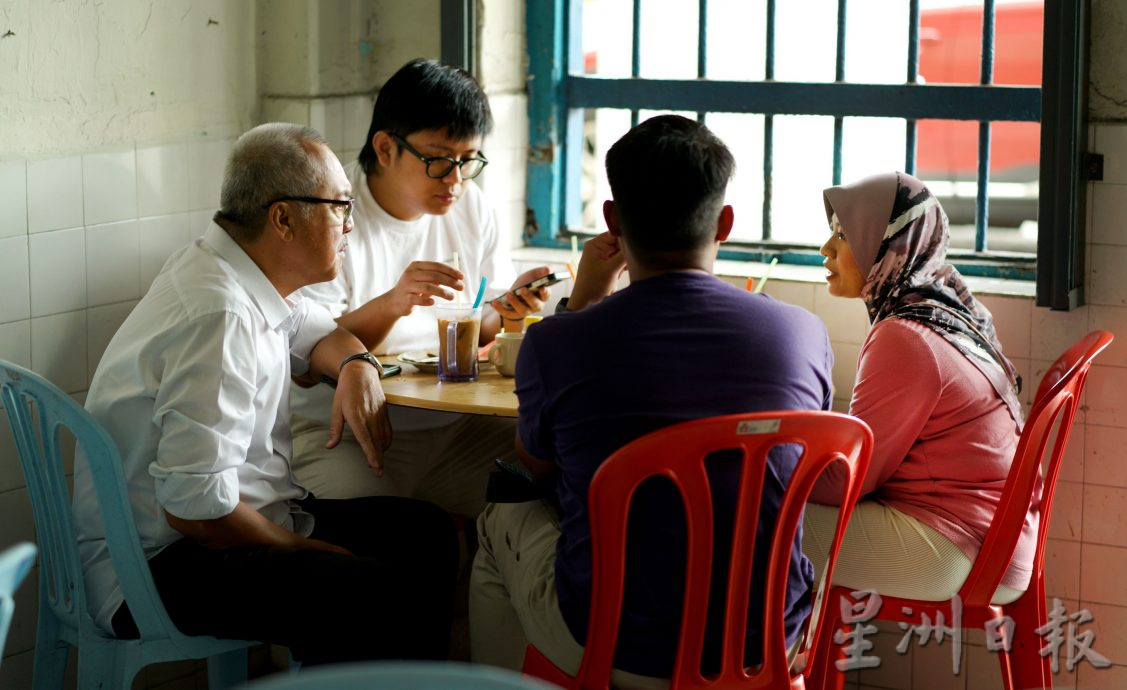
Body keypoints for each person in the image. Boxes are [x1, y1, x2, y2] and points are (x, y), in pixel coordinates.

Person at [468, 115, 835, 687]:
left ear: (613, 221)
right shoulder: (802, 333)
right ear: (726, 224)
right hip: (767, 639)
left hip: (620, 647)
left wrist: (583, 301)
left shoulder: (557, 342)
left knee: (499, 518)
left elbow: (536, 467)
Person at [72, 123, 458, 665]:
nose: (349, 225)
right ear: (282, 218)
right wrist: (304, 548)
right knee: (358, 589)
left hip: (227, 524)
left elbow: (323, 333)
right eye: (339, 207)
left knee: (423, 533)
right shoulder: (219, 313)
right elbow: (196, 511)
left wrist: (356, 365)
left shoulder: (239, 270)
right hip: (155, 564)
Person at [291, 58, 552, 516]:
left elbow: (480, 320)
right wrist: (393, 303)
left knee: (542, 492)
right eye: (438, 160)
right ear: (386, 147)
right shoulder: (331, 212)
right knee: (388, 539)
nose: (455, 179)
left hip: (456, 428)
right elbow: (307, 357)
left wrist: (507, 310)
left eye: (468, 161)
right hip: (346, 431)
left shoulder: (472, 208)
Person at [804, 171, 1033, 606]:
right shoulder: (945, 309)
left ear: (887, 245)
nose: (826, 249)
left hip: (953, 547)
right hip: (993, 534)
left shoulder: (905, 336)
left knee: (753, 525)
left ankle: (750, 670)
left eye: (844, 235)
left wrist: (774, 467)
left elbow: (850, 482)